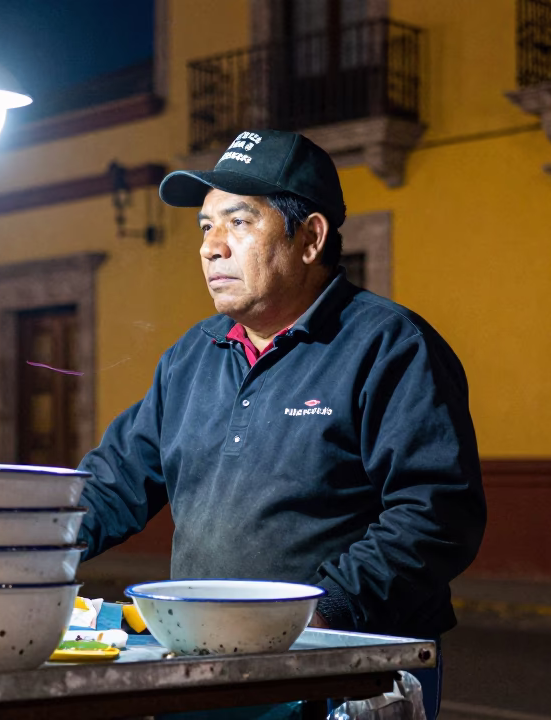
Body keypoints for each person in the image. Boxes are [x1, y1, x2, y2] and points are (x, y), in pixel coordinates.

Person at [76, 130, 487, 720]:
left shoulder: (389, 347)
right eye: (204, 227)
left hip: (341, 672)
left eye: (238, 223)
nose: (211, 247)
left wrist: (325, 609)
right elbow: (113, 482)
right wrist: (21, 551)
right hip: (204, 666)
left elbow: (437, 513)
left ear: (310, 238)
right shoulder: (194, 355)